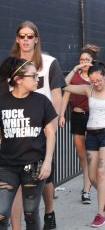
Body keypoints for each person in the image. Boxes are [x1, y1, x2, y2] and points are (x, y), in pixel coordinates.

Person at [7, 21, 65, 230]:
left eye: (30, 36)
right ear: (17, 38)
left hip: (40, 129)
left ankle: (49, 211)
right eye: (22, 35)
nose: (25, 39)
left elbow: (57, 95)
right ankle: (16, 227)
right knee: (14, 184)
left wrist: (51, 124)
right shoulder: (9, 65)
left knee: (44, 177)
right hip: (15, 129)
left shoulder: (49, 63)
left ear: (36, 39)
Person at [63, 62, 105, 227]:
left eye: (99, 80)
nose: (96, 83)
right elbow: (63, 85)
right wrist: (76, 68)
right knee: (92, 176)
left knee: (101, 171)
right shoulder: (88, 89)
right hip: (92, 135)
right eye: (93, 81)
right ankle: (104, 191)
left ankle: (100, 213)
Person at [0, 57, 57, 230]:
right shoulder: (2, 102)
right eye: (33, 76)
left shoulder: (42, 101)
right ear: (18, 79)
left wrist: (47, 162)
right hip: (6, 166)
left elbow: (50, 133)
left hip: (34, 166)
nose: (37, 79)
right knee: (2, 213)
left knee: (31, 214)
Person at [59, 45, 100, 204]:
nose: (84, 62)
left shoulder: (96, 76)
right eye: (81, 60)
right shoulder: (75, 76)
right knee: (81, 154)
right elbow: (64, 87)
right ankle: (88, 176)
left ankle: (86, 189)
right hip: (77, 115)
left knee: (91, 154)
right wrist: (62, 114)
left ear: (92, 61)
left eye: (87, 60)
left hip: (93, 116)